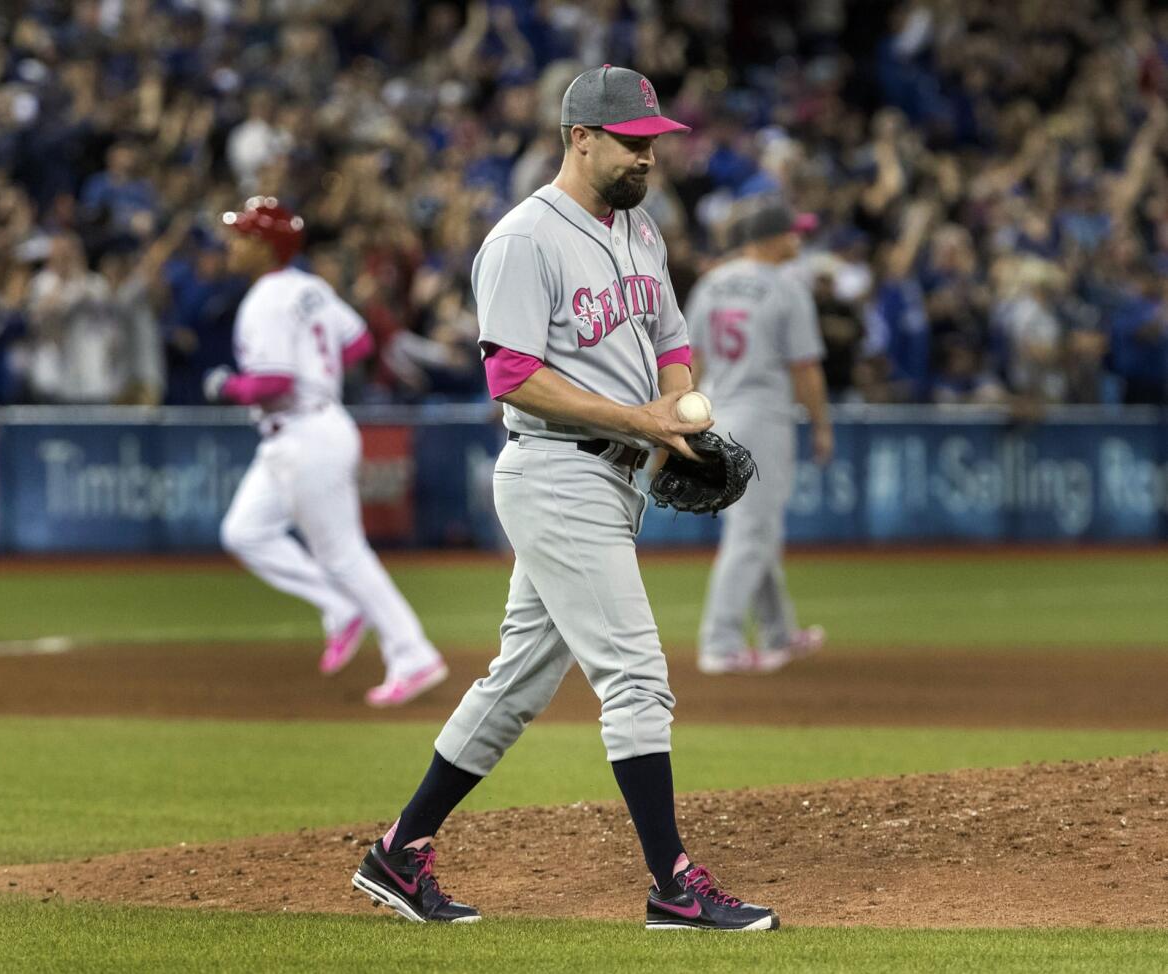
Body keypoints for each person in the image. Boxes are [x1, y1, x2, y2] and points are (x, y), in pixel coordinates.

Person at [351, 66, 781, 932]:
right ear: (579, 137)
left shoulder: (642, 231)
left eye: (654, 144)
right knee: (636, 677)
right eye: (632, 143)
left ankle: (399, 853)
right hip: (555, 471)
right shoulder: (523, 240)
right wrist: (641, 419)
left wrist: (676, 416)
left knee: (515, 684)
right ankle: (673, 884)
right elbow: (512, 377)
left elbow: (670, 341)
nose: (646, 159)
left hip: (618, 474)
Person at [205, 197, 448, 706]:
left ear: (262, 245)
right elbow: (358, 344)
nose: (232, 244)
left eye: (241, 236)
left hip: (304, 432)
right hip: (306, 430)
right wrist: (320, 368)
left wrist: (226, 386)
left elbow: (272, 382)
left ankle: (412, 653)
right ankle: (340, 608)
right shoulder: (311, 287)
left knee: (344, 554)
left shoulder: (265, 300)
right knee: (244, 531)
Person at [687, 197, 833, 675]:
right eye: (792, 232)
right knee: (752, 532)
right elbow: (805, 369)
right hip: (761, 417)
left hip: (716, 412)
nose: (799, 239)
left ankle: (777, 633)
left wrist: (687, 418)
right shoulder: (787, 289)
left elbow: (692, 360)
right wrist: (821, 424)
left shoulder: (711, 284)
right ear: (769, 239)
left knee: (756, 527)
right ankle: (720, 642)